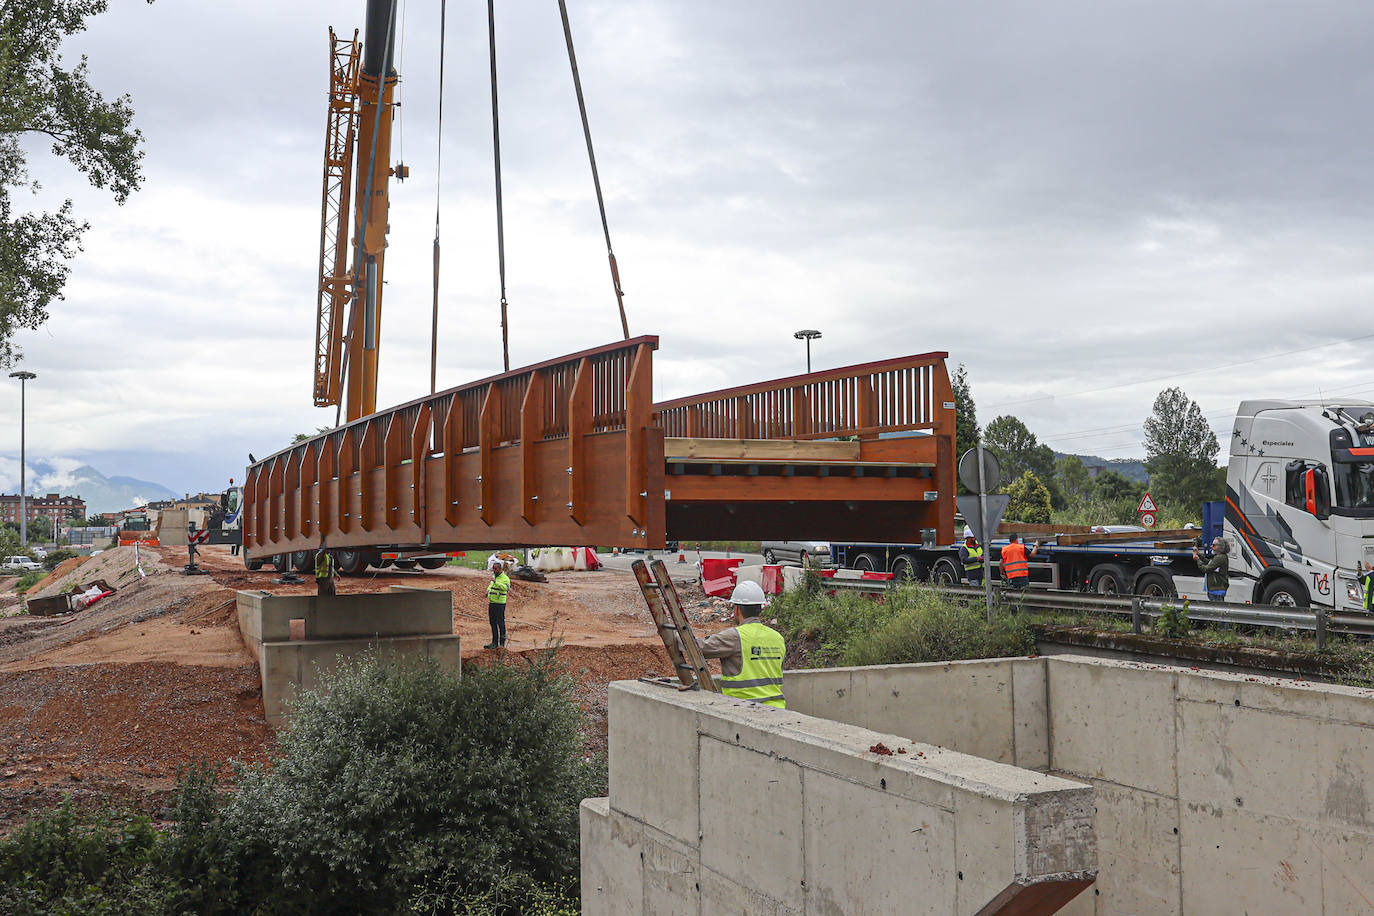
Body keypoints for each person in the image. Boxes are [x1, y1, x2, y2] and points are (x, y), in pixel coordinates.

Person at [700, 580, 786, 708]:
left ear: (737, 609)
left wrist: (676, 635)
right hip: (777, 709)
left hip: (744, 710)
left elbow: (700, 648)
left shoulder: (735, 636)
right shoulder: (777, 637)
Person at [1193, 538, 1229, 602]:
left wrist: (1198, 560)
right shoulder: (1219, 556)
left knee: (1217, 609)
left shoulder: (1219, 558)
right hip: (1217, 589)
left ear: (1220, 547)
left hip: (1216, 589)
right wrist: (1198, 554)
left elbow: (1206, 569)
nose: (1211, 546)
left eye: (1214, 545)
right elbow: (1209, 562)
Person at [485, 559, 510, 649]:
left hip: (500, 604)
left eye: (495, 569)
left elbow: (506, 588)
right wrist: (487, 591)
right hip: (492, 602)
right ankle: (494, 643)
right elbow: (491, 585)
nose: (494, 570)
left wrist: (496, 582)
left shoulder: (505, 578)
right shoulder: (494, 576)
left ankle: (502, 644)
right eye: (493, 568)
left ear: (500, 569)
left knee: (500, 623)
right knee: (492, 623)